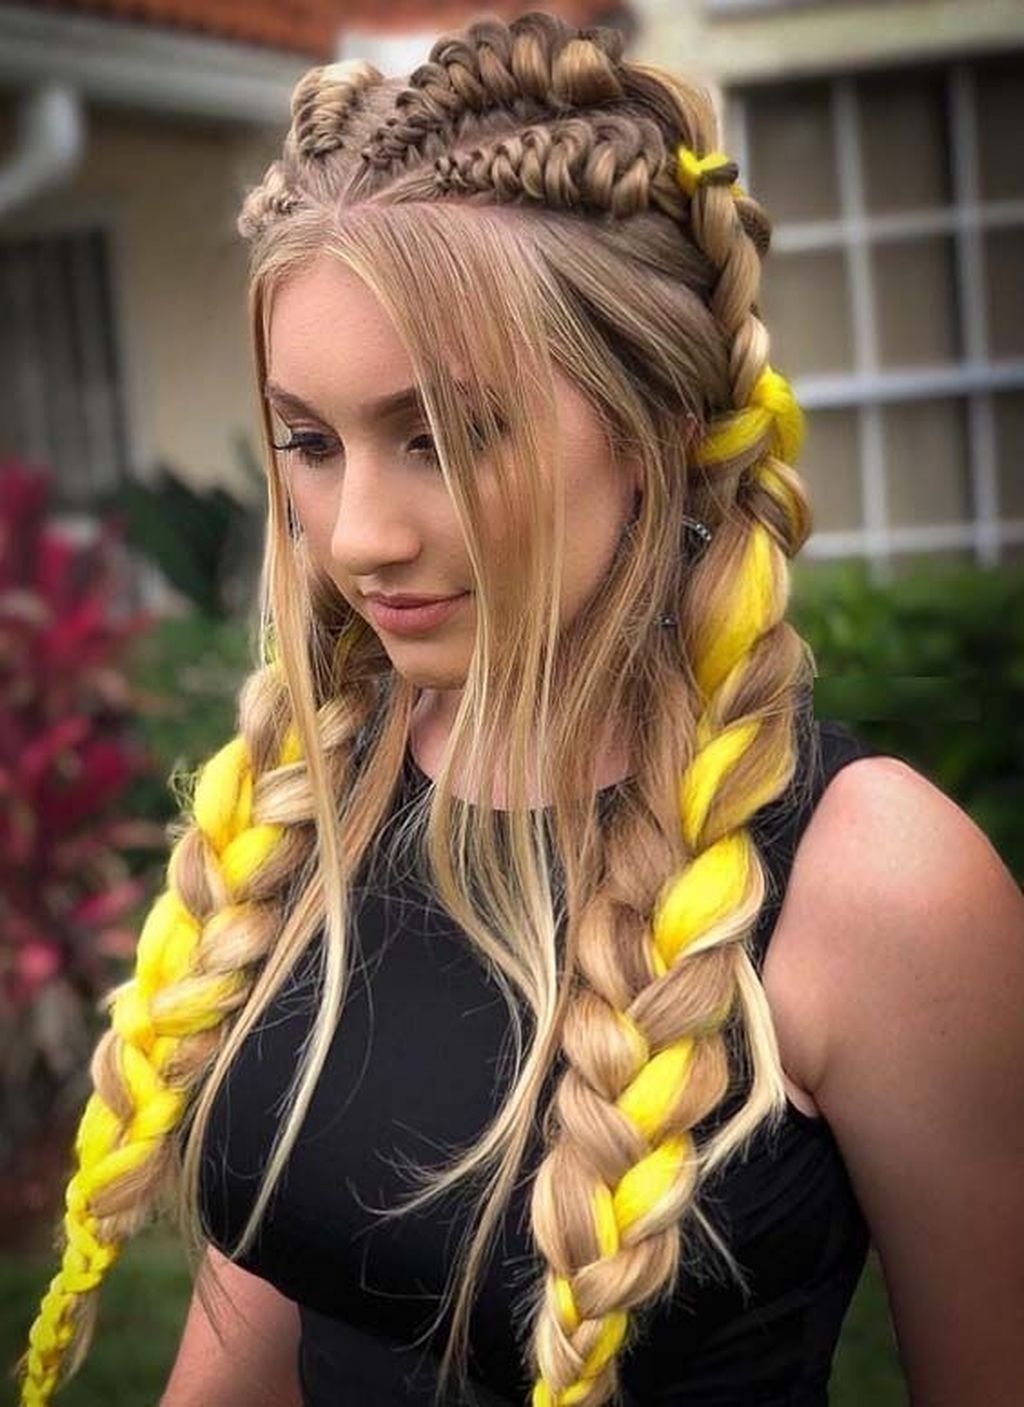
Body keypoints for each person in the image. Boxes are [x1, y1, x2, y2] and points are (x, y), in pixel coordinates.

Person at [15, 10, 1024, 1407]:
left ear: (657, 427)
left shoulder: (878, 889)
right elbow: (275, 1294)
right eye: (309, 441)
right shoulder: (312, 806)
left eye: (443, 436)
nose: (358, 535)